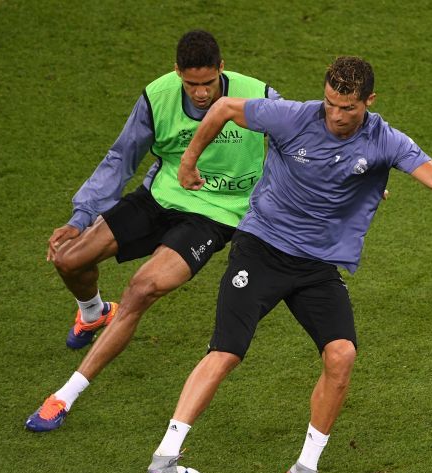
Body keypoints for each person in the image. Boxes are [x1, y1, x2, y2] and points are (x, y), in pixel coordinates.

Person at [144, 56, 432, 473]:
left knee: (341, 355)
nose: (336, 116)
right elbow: (221, 108)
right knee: (227, 350)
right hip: (261, 248)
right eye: (330, 104)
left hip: (317, 266)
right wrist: (187, 160)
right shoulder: (294, 117)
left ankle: (305, 470)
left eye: (347, 108)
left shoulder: (385, 140)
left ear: (369, 102)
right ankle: (165, 456)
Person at [25, 30, 281, 432]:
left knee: (141, 288)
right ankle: (92, 314)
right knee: (68, 259)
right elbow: (120, 158)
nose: (200, 94)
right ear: (177, 72)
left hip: (215, 215)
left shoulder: (257, 95)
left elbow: (307, 137)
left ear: (222, 69)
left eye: (208, 83)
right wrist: (80, 216)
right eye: (191, 84)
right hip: (159, 197)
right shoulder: (157, 96)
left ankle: (65, 395)